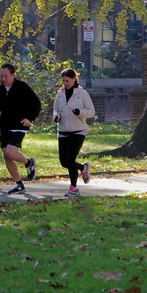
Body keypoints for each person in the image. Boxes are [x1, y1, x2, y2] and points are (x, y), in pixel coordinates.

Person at [0, 63, 42, 194]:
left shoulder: (22, 87)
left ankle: (28, 162)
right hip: (5, 125)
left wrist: (30, 118)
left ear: (13, 75)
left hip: (19, 125)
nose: (3, 79)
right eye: (1, 76)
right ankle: (19, 184)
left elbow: (36, 104)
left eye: (6, 76)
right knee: (6, 155)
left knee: (11, 152)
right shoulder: (1, 90)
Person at [52, 68, 96, 197]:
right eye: (63, 81)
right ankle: (83, 168)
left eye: (67, 80)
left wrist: (81, 112)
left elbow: (91, 111)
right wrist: (56, 117)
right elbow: (55, 109)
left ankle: (73, 187)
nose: (65, 83)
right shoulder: (60, 94)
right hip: (63, 131)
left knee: (70, 159)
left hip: (78, 131)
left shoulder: (82, 93)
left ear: (74, 79)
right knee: (64, 162)